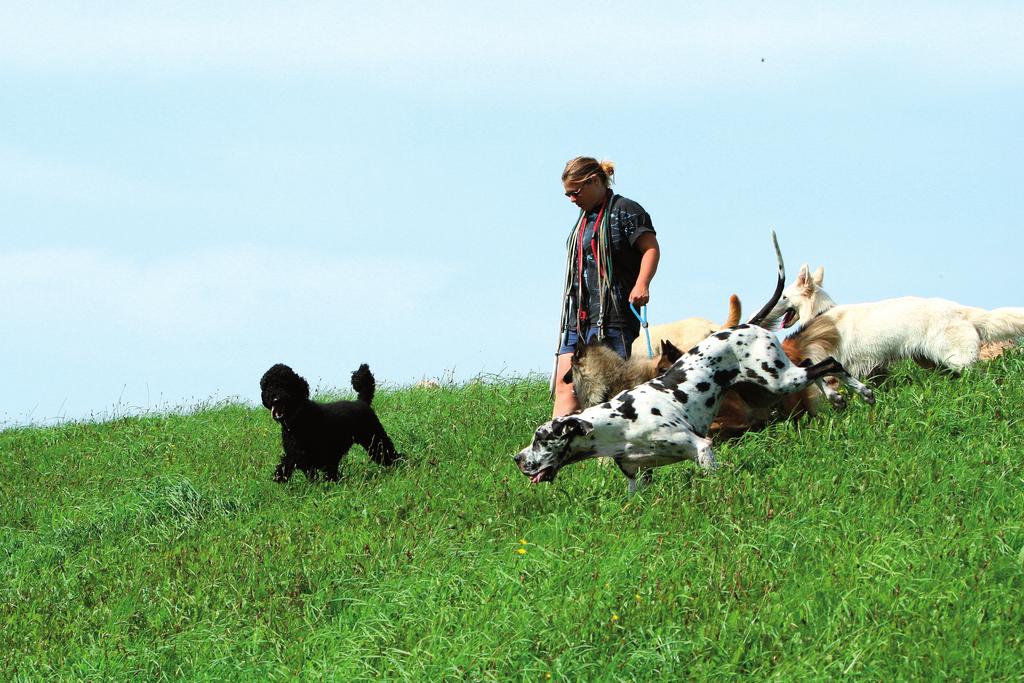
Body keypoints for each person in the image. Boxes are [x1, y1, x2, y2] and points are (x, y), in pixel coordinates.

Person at [551, 157, 661, 417]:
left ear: (594, 181)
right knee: (566, 384)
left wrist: (642, 284)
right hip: (578, 317)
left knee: (612, 389)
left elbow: (650, 248)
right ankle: (553, 446)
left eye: (575, 192)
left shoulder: (626, 210)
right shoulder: (584, 220)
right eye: (567, 194)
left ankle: (607, 451)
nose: (572, 200)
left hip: (614, 316)